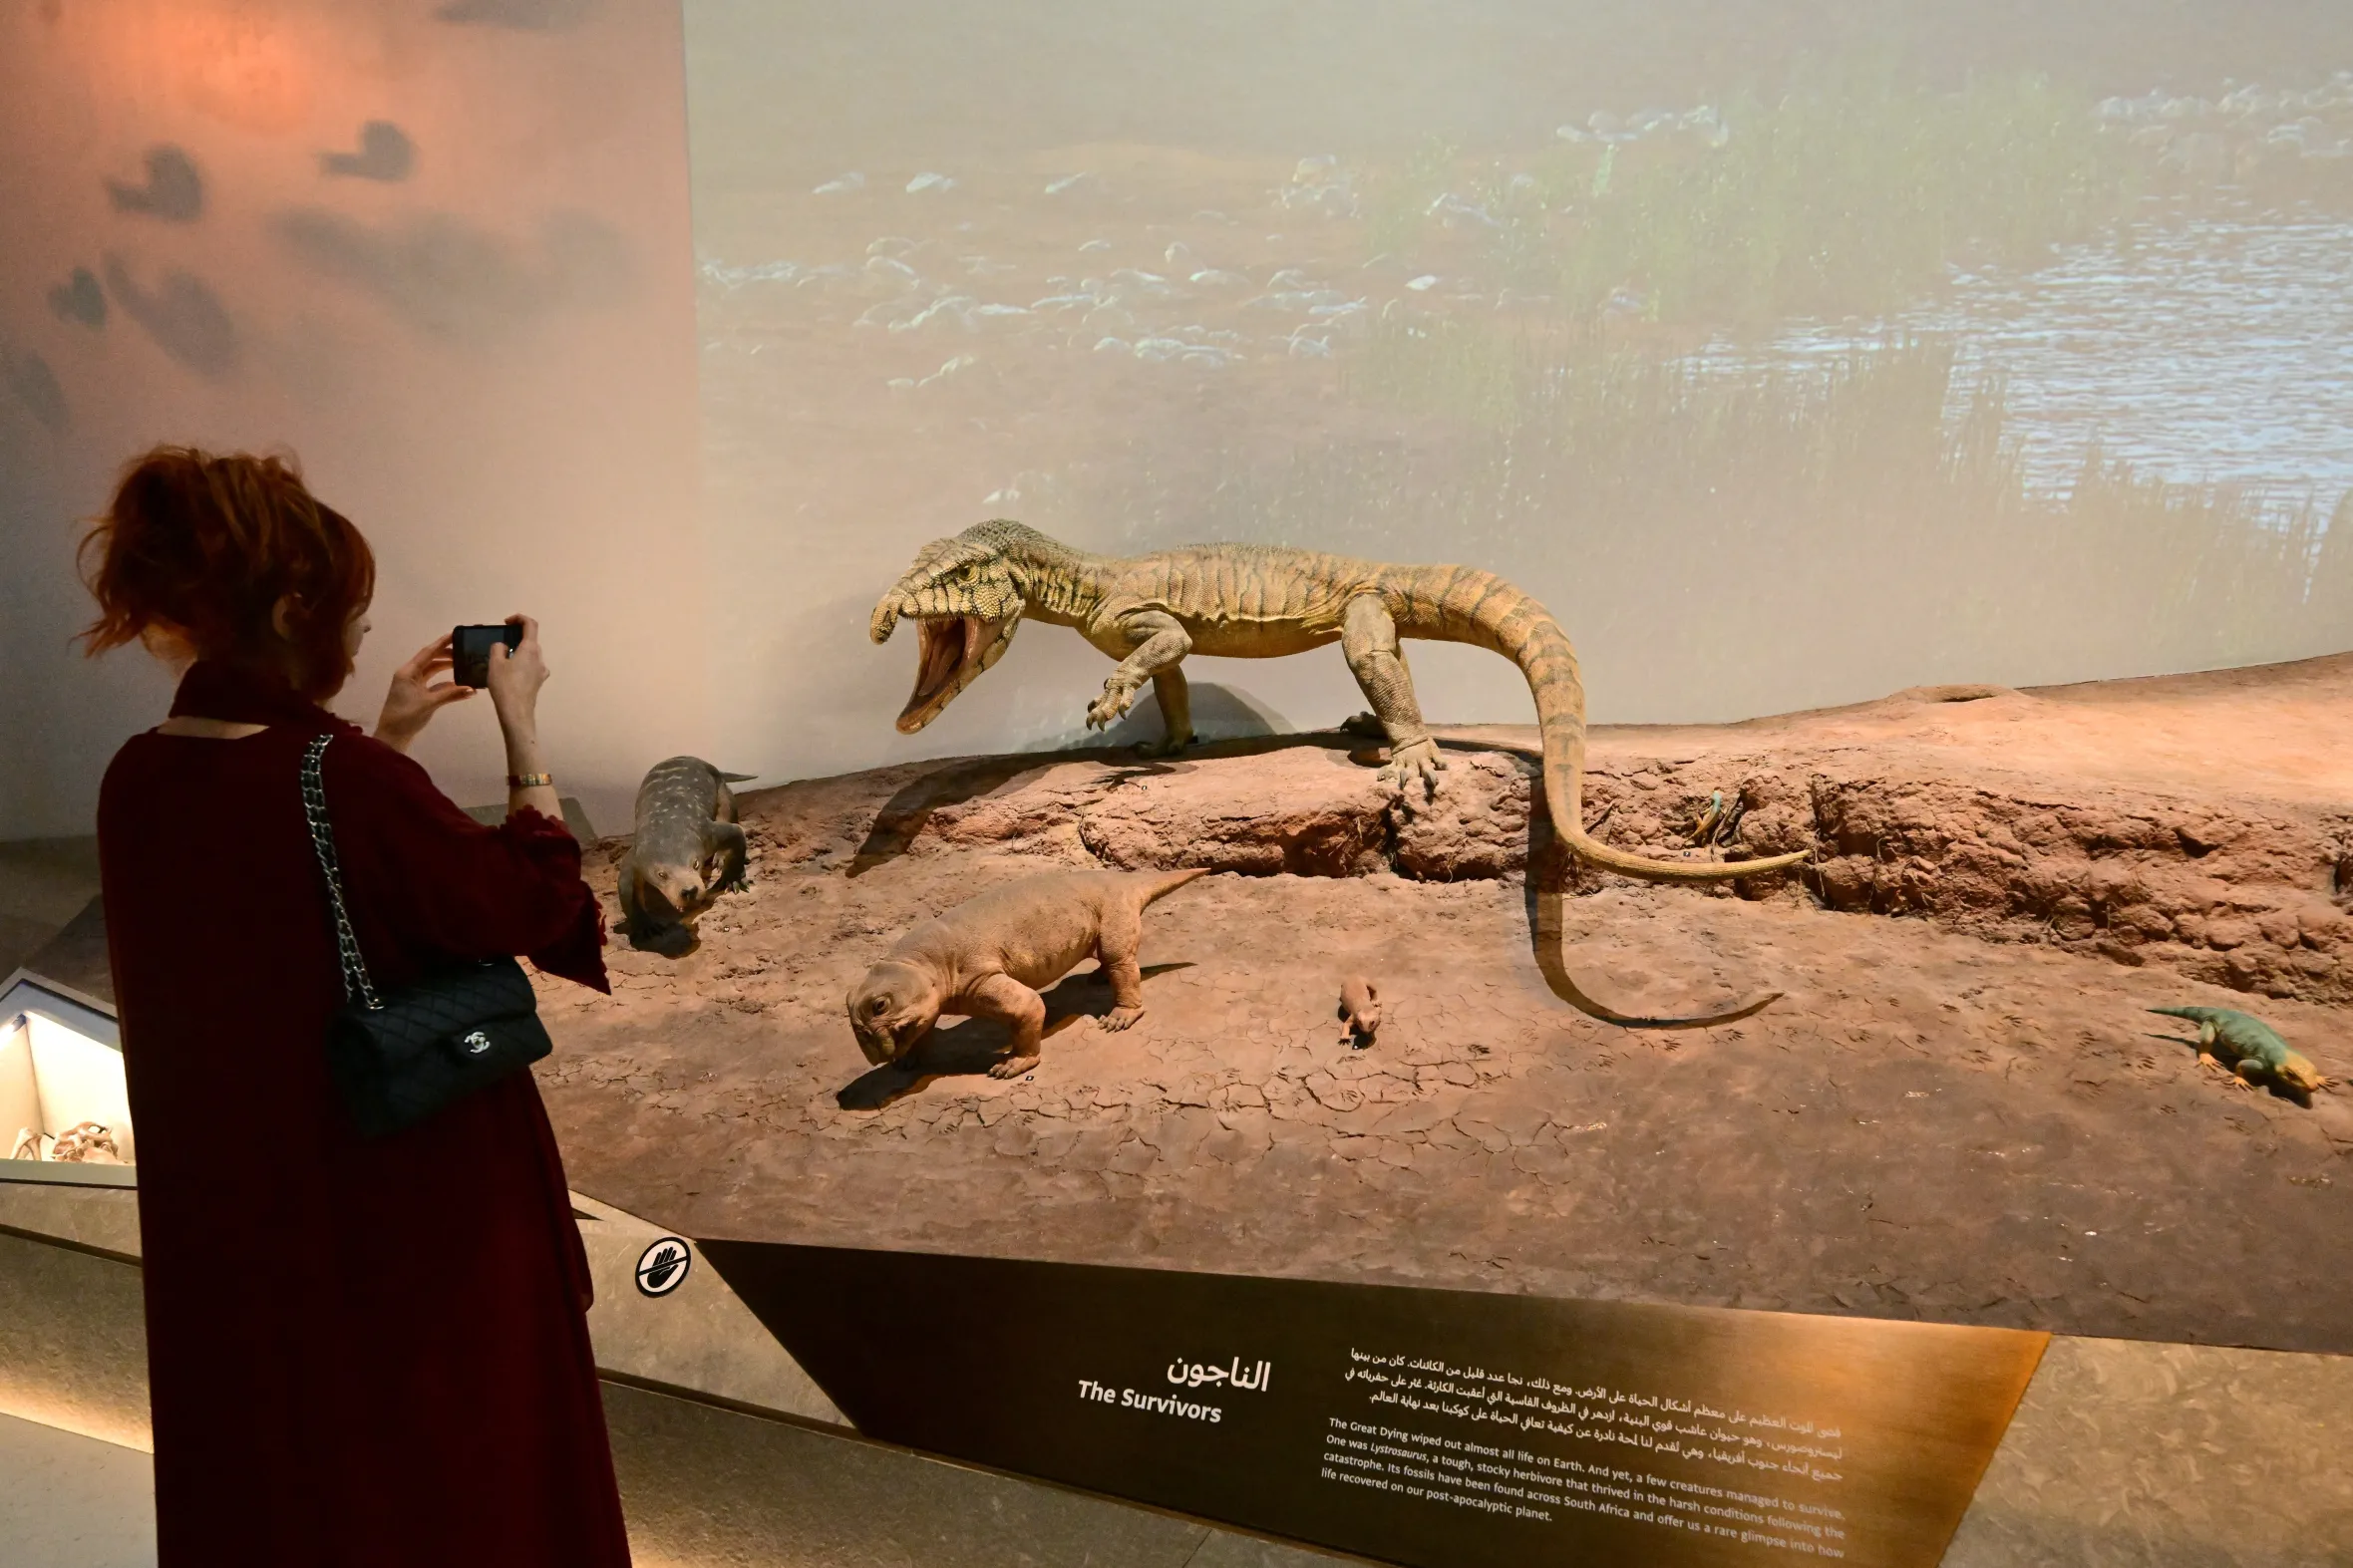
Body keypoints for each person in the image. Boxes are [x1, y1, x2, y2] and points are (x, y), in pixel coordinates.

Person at [81, 446, 632, 1566]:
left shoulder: (139, 775)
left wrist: (391, 734)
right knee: (446, 1467)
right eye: (351, 611)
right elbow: (525, 900)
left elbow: (278, 896)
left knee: (294, 1464)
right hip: (404, 1211)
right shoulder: (338, 775)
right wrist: (522, 730)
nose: (362, 633)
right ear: (292, 607)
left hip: (247, 1227)